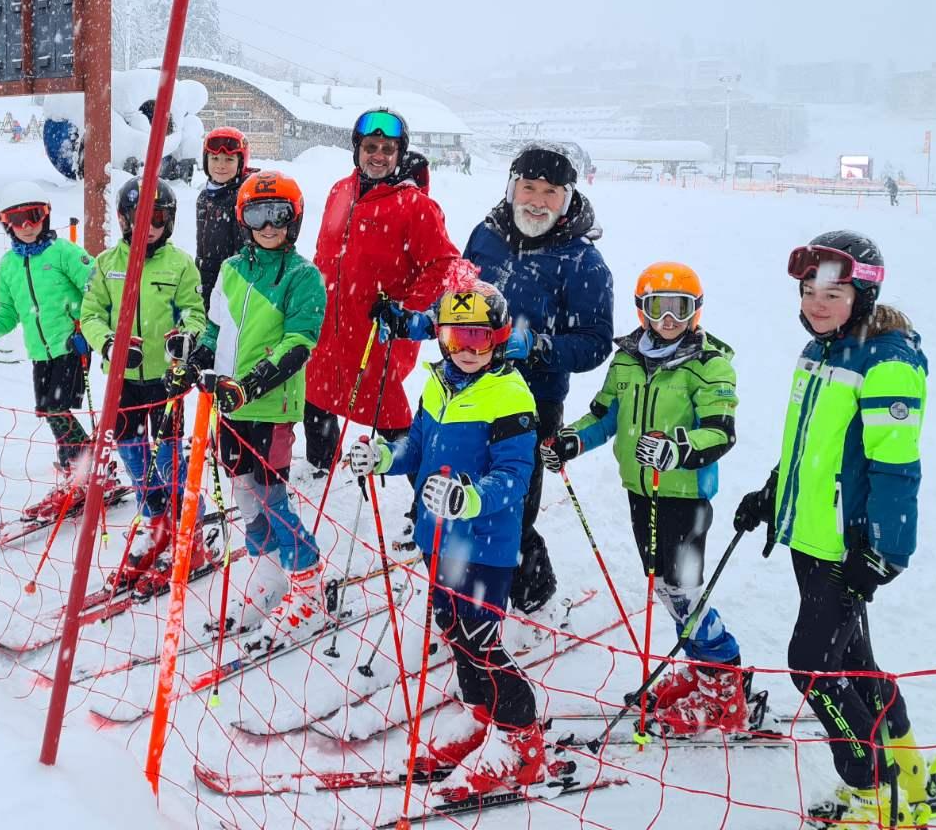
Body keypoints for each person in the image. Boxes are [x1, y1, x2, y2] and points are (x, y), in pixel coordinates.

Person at [733, 231, 930, 826]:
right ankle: (910, 771)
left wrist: (885, 550)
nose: (816, 302)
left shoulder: (887, 362)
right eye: (808, 289)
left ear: (864, 293)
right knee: (855, 664)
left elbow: (896, 466)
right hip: (812, 537)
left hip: (849, 545)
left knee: (812, 667)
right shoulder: (820, 351)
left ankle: (871, 789)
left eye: (833, 291)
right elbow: (809, 448)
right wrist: (774, 491)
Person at [346, 282, 544, 800]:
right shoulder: (439, 383)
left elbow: (515, 477)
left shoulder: (510, 395)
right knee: (453, 628)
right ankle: (483, 720)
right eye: (457, 337)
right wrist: (386, 458)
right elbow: (418, 444)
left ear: (499, 339)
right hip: (439, 538)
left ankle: (521, 739)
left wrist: (467, 498)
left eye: (479, 338)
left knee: (482, 640)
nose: (467, 349)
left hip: (484, 543)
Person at [543, 261, 747, 734]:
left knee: (684, 592)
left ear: (696, 312)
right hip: (641, 491)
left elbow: (720, 432)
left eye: (681, 309)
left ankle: (724, 685)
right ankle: (702, 671)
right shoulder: (627, 360)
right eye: (659, 308)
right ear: (642, 309)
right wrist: (571, 441)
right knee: (667, 588)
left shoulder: (710, 363)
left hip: (684, 495)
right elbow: (604, 415)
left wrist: (678, 449)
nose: (669, 319)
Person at [169, 171, 327, 651]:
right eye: (258, 215)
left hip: (271, 405)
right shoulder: (232, 269)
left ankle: (308, 586)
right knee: (242, 491)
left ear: (293, 220)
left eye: (279, 215)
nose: (269, 225)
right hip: (230, 404)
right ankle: (268, 573)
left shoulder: (303, 277)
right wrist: (195, 359)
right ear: (244, 219)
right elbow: (217, 332)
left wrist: (252, 383)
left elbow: (299, 342)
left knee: (272, 494)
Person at [458, 141, 614, 615]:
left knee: (512, 506)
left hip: (531, 401)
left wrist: (541, 345)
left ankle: (528, 586)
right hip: (469, 387)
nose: (537, 200)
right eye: (529, 187)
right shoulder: (485, 235)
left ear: (566, 198)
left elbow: (595, 342)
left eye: (551, 192)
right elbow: (460, 294)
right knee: (468, 491)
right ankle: (471, 575)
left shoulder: (583, 261)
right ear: (512, 188)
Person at [305, 108, 461, 475]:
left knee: (389, 417)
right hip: (328, 330)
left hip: (377, 335)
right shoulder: (339, 191)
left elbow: (444, 265)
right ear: (357, 149)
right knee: (317, 401)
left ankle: (421, 496)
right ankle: (318, 471)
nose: (377, 155)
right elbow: (323, 254)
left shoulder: (416, 206)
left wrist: (406, 309)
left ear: (399, 155)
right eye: (370, 146)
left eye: (387, 149)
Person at [79, 176, 211, 590]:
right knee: (132, 452)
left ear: (168, 222)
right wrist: (110, 345)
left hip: (165, 381)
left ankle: (190, 527)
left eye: (158, 218)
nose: (148, 225)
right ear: (123, 219)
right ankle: (155, 520)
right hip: (124, 379)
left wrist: (183, 337)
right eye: (140, 217)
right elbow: (91, 315)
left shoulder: (179, 265)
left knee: (169, 456)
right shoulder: (107, 264)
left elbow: (195, 312)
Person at [0, 182, 98, 520]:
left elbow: (96, 289)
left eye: (33, 216)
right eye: (17, 220)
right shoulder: (9, 266)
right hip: (40, 353)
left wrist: (84, 324)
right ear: (6, 224)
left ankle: (83, 470)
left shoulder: (65, 253)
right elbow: (8, 313)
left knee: (58, 408)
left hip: (69, 346)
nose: (27, 226)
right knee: (47, 410)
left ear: (45, 216)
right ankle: (81, 467)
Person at [194, 126, 255, 309]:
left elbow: (246, 249)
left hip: (232, 281)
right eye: (214, 158)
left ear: (241, 162)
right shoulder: (204, 197)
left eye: (229, 159)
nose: (220, 165)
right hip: (205, 278)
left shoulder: (244, 197)